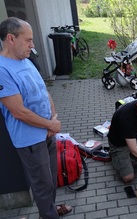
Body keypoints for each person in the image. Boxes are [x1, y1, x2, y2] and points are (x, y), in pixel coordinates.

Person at [0, 17, 71, 218]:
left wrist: (53, 118)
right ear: (11, 39)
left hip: (47, 131)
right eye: (28, 40)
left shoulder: (26, 60)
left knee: (51, 178)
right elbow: (18, 111)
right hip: (30, 140)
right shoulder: (2, 70)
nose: (33, 44)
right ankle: (48, 215)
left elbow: (44, 91)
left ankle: (50, 208)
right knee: (42, 184)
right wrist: (51, 124)